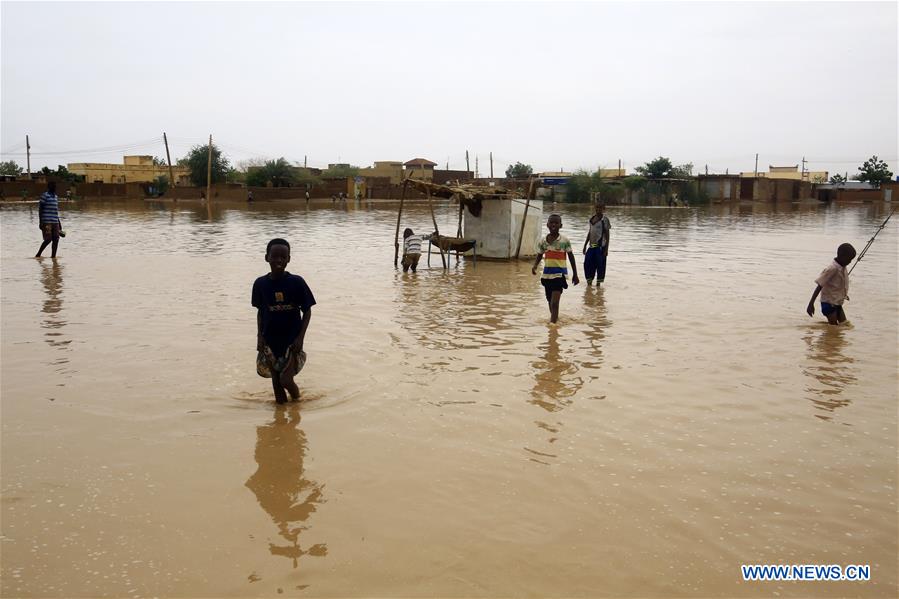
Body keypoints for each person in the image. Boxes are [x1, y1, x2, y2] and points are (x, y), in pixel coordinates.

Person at [252, 238, 316, 404]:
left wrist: (300, 338)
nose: (278, 260)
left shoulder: (296, 282)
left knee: (286, 380)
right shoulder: (260, 284)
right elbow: (260, 312)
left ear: (289, 259)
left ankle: (297, 402)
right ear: (267, 257)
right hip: (270, 340)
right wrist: (259, 336)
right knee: (277, 386)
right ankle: (281, 421)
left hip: (291, 341)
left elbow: (307, 311)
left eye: (283, 257)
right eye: (275, 256)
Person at [532, 214, 580, 323]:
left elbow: (571, 257)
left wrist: (575, 274)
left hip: (559, 275)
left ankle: (553, 326)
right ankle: (555, 320)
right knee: (550, 301)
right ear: (547, 224)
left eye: (556, 223)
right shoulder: (543, 241)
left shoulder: (564, 241)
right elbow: (539, 255)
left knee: (555, 303)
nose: (553, 224)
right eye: (551, 222)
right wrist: (535, 266)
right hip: (547, 275)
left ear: (560, 225)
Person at [807, 243, 856, 325]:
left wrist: (844, 294)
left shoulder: (842, 266)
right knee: (834, 328)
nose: (850, 262)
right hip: (828, 304)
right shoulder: (832, 269)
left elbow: (839, 284)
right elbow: (819, 285)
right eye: (849, 259)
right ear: (842, 256)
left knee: (844, 324)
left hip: (837, 302)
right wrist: (811, 304)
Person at [582, 201, 610, 285]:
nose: (598, 210)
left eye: (600, 208)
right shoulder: (592, 219)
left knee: (600, 266)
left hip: (600, 247)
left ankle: (598, 285)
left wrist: (606, 249)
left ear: (603, 209)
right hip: (591, 246)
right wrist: (585, 245)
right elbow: (590, 232)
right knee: (587, 263)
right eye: (597, 208)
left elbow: (608, 235)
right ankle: (589, 283)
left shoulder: (604, 220)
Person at [35, 182, 64, 258]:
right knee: (48, 239)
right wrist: (41, 222)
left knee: (56, 239)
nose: (54, 188)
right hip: (46, 221)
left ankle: (53, 257)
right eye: (52, 186)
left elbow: (55, 211)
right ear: (49, 187)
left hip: (55, 221)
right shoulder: (45, 195)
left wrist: (59, 223)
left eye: (55, 187)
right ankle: (38, 254)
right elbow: (40, 209)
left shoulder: (56, 197)